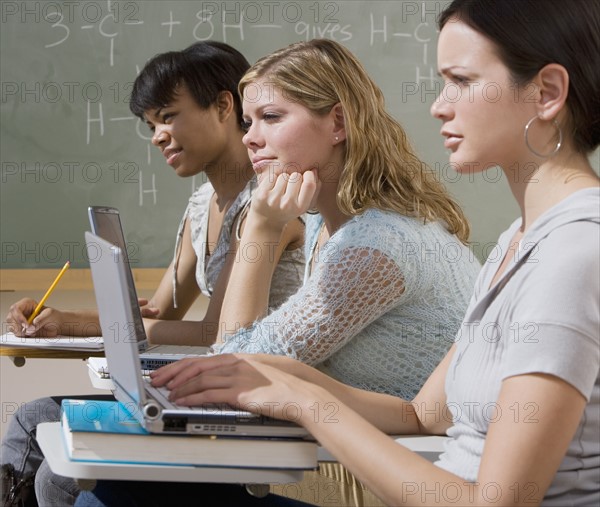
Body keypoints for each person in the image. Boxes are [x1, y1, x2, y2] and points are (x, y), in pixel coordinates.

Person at [82, 0, 599, 504]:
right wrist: (276, 378)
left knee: (111, 489)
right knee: (105, 480)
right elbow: (421, 414)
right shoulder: (516, 244)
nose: (439, 104)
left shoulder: (571, 256)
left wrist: (305, 401)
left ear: (547, 93)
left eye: (461, 81)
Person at [1, 41, 305, 507]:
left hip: (248, 394)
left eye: (168, 115)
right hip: (213, 386)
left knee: (37, 431)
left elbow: (211, 331)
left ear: (225, 105)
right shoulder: (204, 204)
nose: (158, 135)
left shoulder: (268, 205)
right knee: (36, 423)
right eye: (150, 125)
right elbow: (159, 309)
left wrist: (79, 324)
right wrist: (61, 318)